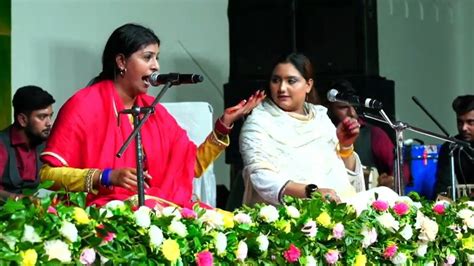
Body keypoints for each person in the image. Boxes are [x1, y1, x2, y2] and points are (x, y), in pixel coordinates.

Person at [39, 23, 265, 208]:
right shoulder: (84, 105)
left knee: (230, 225)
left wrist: (223, 126)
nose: (156, 66)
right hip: (104, 214)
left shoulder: (153, 110)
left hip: (155, 208)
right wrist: (105, 177)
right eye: (147, 57)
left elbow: (191, 166)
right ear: (121, 62)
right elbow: (48, 175)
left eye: (157, 58)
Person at [240, 53, 399, 209]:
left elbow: (344, 177)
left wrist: (345, 147)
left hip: (334, 208)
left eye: (291, 81)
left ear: (308, 85)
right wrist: (312, 192)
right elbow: (261, 177)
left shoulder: (320, 118)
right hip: (286, 216)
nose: (282, 88)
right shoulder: (258, 122)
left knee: (388, 197)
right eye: (276, 80)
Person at [319, 79, 410, 190]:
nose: (352, 113)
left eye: (354, 106)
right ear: (328, 107)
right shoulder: (319, 132)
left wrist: (392, 179)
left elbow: (402, 169)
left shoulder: (374, 134)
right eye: (343, 107)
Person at [0, 86, 55, 201]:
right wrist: (18, 199)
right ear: (22, 120)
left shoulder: (45, 143)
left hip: (28, 215)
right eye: (42, 117)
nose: (49, 123)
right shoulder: (2, 144)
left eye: (50, 116)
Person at [435, 95, 474, 197]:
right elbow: (443, 186)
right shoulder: (450, 146)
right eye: (460, 122)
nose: (464, 128)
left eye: (470, 122)